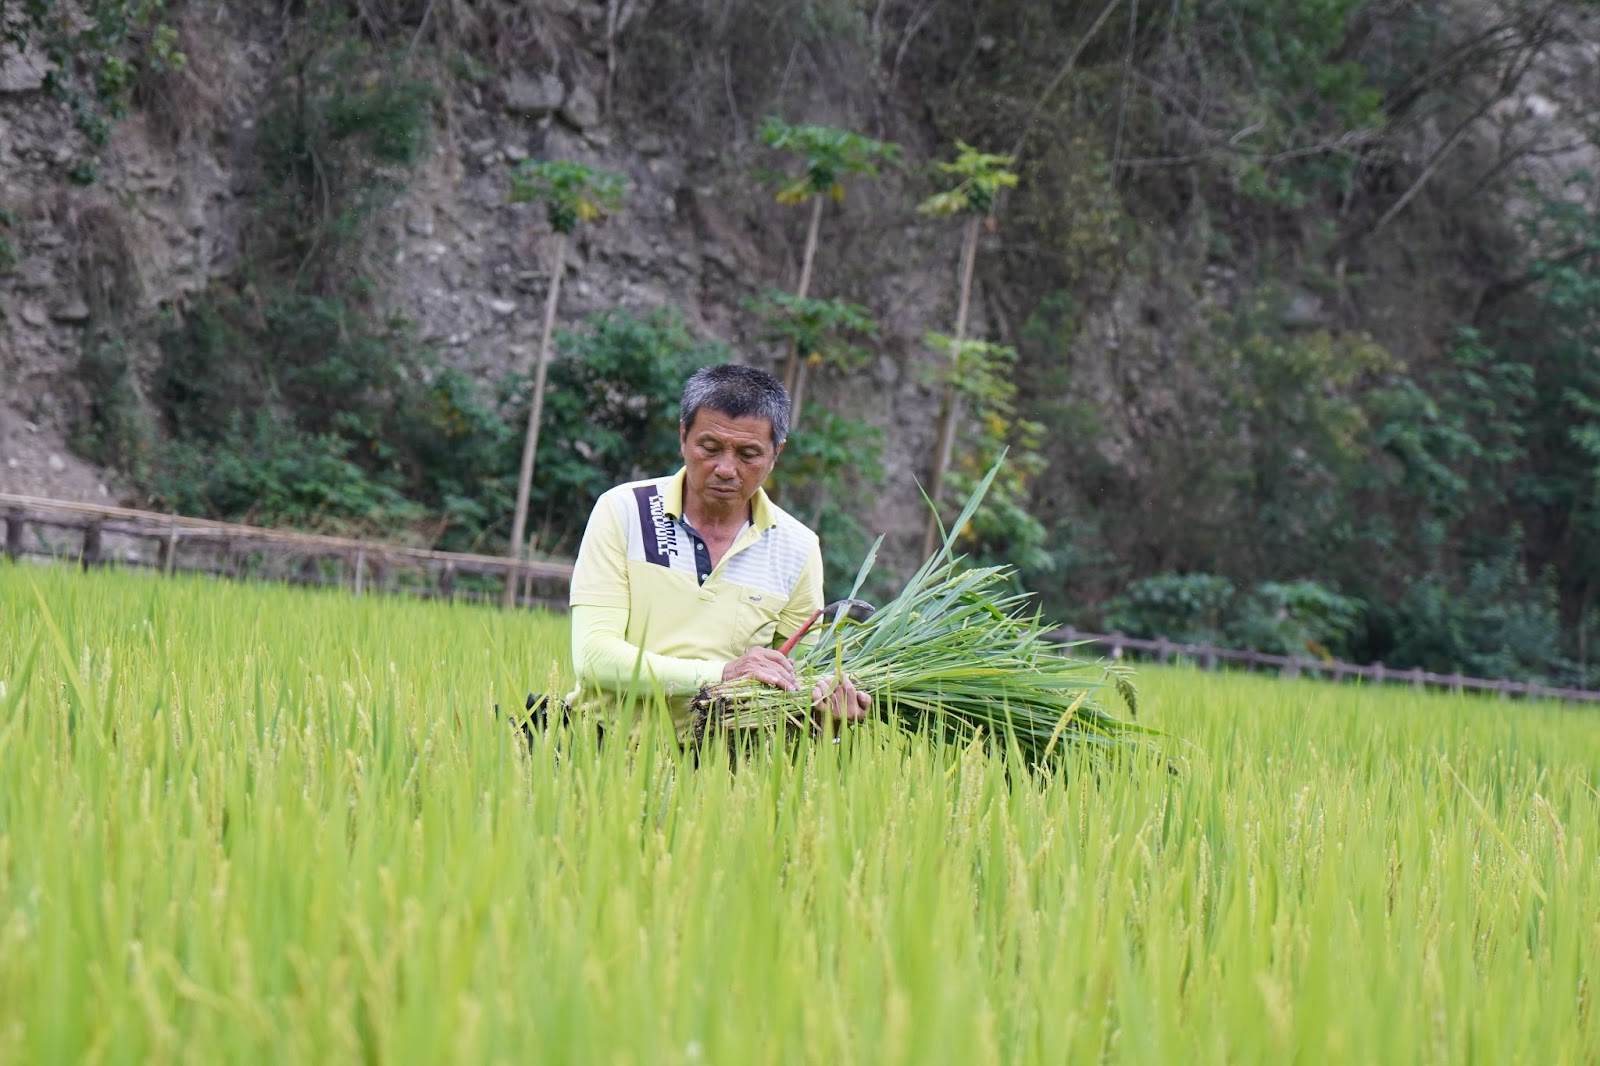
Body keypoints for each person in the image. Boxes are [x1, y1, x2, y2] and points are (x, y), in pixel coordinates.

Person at [563, 363, 870, 738]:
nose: (726, 468)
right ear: (683, 437)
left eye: (748, 454)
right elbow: (594, 659)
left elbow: (795, 681)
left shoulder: (797, 547)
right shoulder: (625, 511)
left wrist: (828, 710)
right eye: (710, 447)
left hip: (722, 762)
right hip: (599, 744)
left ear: (777, 453)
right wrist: (722, 674)